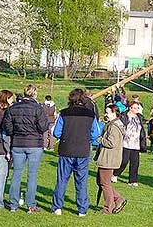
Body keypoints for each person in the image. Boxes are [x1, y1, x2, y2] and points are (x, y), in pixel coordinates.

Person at [51, 88, 100, 216]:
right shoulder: (91, 115)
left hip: (66, 150)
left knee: (62, 180)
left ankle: (57, 207)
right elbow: (95, 134)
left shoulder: (64, 113)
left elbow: (56, 133)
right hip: (83, 150)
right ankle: (82, 209)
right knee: (81, 181)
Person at [2, 84, 48, 213]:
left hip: (18, 143)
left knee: (16, 174)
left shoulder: (13, 108)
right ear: (34, 94)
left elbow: (7, 125)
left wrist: (14, 132)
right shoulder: (38, 108)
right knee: (32, 175)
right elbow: (43, 126)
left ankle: (13, 204)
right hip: (34, 144)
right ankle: (31, 205)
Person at [95, 104, 127, 214]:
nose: (105, 115)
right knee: (101, 182)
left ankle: (108, 207)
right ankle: (118, 199)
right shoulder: (114, 125)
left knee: (105, 184)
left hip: (108, 159)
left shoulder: (113, 127)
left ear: (114, 113)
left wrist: (100, 139)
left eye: (107, 112)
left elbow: (111, 143)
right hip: (109, 158)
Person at [112, 101, 146, 186]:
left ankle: (132, 180)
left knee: (135, 163)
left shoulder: (139, 117)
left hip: (136, 143)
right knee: (124, 161)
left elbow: (141, 129)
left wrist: (143, 140)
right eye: (135, 108)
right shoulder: (124, 116)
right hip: (126, 142)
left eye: (138, 108)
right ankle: (115, 174)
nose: (137, 109)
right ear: (130, 108)